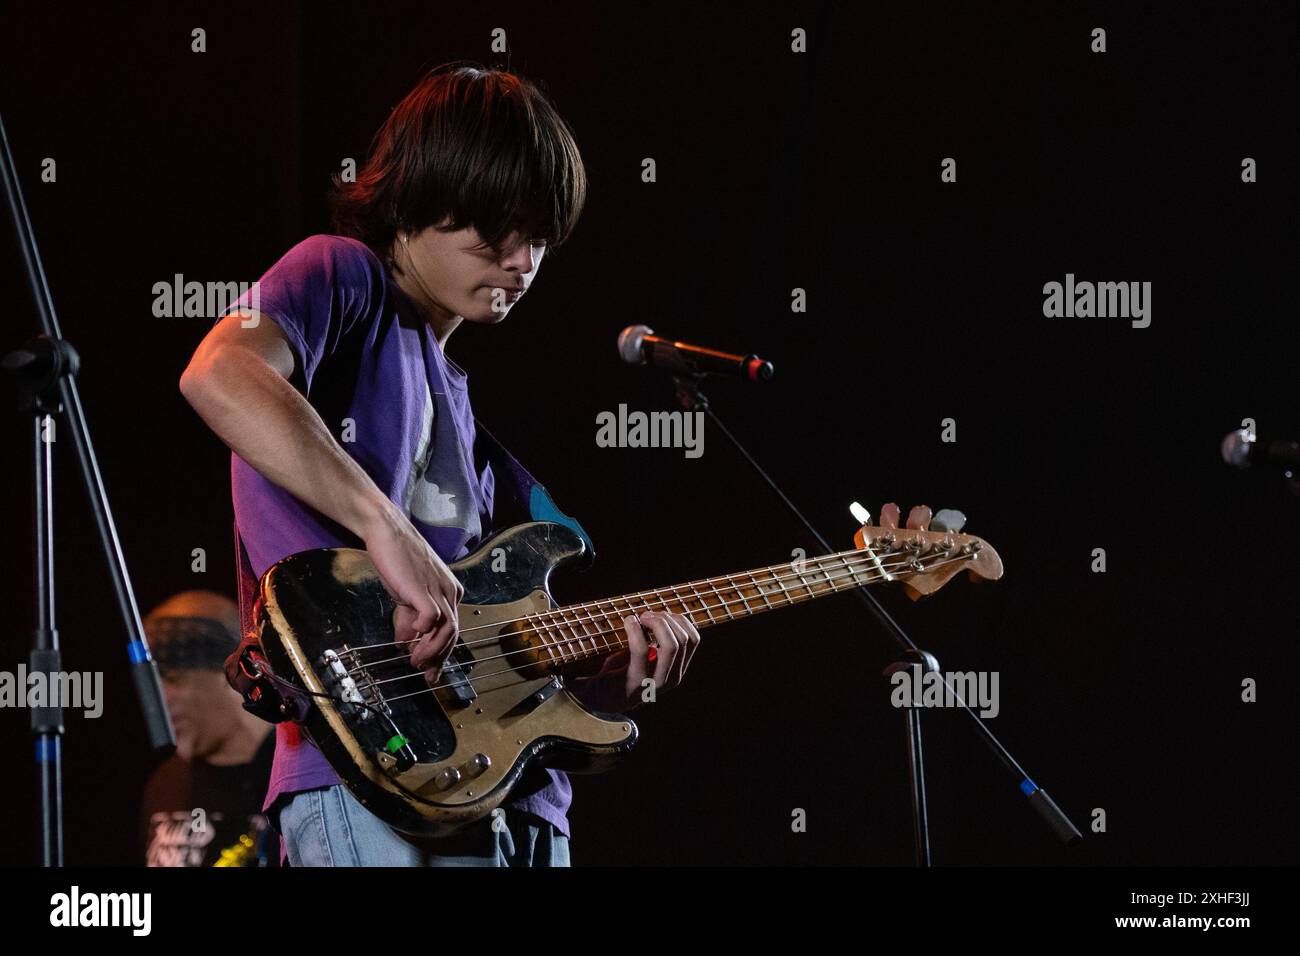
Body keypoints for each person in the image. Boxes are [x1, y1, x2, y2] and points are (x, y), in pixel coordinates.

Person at [179, 62, 702, 867]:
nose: (523, 262)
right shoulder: (340, 274)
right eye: (502, 230)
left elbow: (481, 647)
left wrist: (607, 683)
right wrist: (387, 529)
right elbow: (218, 373)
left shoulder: (468, 418)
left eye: (540, 238)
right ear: (425, 194)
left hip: (512, 800)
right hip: (368, 775)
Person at [139, 590, 277, 867]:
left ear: (228, 673)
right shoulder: (166, 784)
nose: (160, 700)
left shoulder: (296, 772)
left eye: (174, 680)